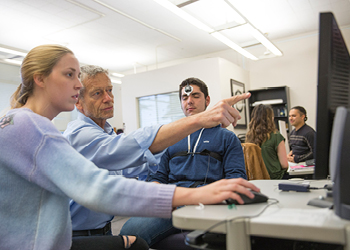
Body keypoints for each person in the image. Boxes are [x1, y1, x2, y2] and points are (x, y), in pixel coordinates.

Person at [0, 44, 260, 250]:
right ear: (40, 79)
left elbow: (129, 166)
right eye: (69, 75)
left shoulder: (16, 121)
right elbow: (99, 186)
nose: (78, 85)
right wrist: (193, 194)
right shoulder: (34, 128)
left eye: (78, 76)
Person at [120, 77, 247, 247]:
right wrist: (160, 198)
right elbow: (157, 177)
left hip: (208, 203)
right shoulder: (170, 137)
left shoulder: (227, 138)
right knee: (128, 234)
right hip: (172, 202)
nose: (190, 101)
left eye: (195, 96)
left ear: (207, 100)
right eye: (184, 98)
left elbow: (236, 180)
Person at [245, 104, 288, 179]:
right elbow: (284, 165)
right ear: (270, 118)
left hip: (257, 178)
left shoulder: (249, 137)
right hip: (275, 178)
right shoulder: (276, 136)